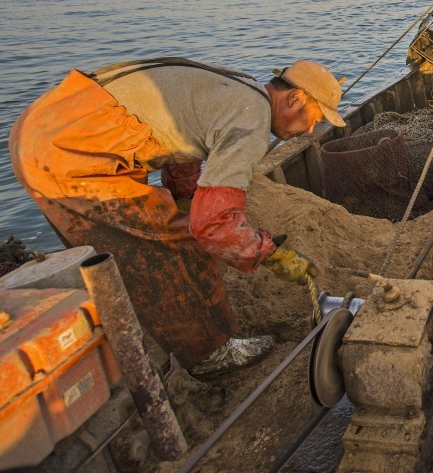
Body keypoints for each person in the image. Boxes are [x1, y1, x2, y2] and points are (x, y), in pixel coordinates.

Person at [9, 57, 347, 376]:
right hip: (72, 151)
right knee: (172, 251)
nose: (310, 131)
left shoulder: (240, 88)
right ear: (296, 98)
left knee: (128, 247)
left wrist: (184, 198)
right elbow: (212, 225)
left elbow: (183, 135)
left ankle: (128, 325)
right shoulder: (252, 121)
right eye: (315, 118)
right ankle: (209, 355)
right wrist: (269, 254)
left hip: (48, 125)